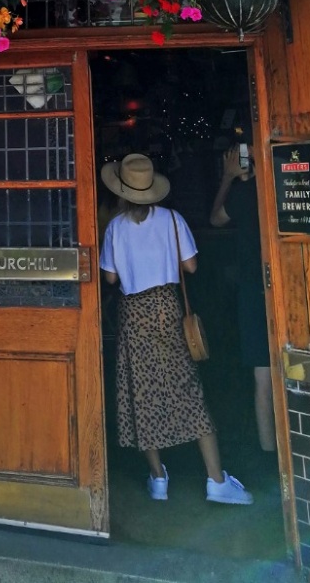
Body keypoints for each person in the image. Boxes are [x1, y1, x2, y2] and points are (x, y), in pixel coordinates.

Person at [99, 152, 253, 505]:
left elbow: (110, 278)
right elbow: (192, 265)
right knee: (188, 390)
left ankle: (158, 479)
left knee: (141, 395)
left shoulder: (115, 228)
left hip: (133, 314)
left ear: (122, 191)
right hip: (167, 308)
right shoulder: (172, 220)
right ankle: (216, 480)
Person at [210, 143, 276, 453]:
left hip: (254, 288)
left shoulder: (244, 194)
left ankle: (269, 456)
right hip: (285, 286)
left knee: (263, 378)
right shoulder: (282, 185)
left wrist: (228, 177)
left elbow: (215, 218)